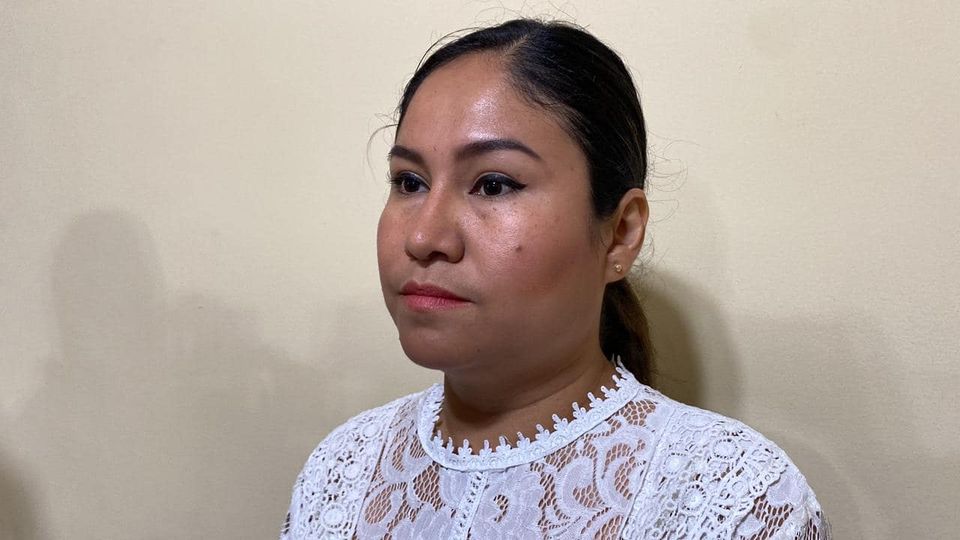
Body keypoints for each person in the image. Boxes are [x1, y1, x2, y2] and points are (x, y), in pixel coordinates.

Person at [281, 18, 829, 539]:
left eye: (493, 185)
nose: (423, 238)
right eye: (409, 182)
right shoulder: (344, 470)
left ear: (620, 234)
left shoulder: (729, 499)